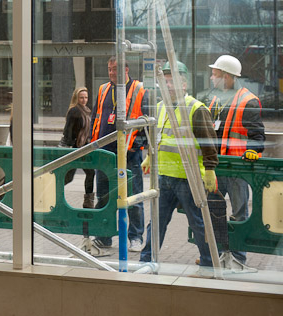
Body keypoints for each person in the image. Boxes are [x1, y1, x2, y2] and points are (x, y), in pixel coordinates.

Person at [140, 61, 219, 274]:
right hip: (164, 176)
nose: (168, 86)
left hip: (188, 177)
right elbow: (156, 137)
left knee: (198, 223)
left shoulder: (195, 108)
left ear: (183, 84)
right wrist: (150, 156)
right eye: (164, 82)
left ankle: (208, 264)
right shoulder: (159, 108)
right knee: (156, 223)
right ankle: (146, 261)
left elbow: (208, 142)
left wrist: (210, 169)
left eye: (172, 81)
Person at [205, 55, 265, 270]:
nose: (212, 77)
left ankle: (238, 258)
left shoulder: (247, 101)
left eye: (215, 74)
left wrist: (251, 152)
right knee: (216, 212)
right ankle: (222, 254)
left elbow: (258, 138)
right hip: (217, 167)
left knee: (239, 214)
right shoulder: (214, 100)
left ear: (227, 77)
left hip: (237, 169)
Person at [88, 57, 147, 254]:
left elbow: (146, 123)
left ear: (126, 69)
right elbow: (95, 116)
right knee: (104, 196)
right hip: (104, 153)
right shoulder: (104, 89)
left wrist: (136, 145)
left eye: (115, 69)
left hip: (129, 154)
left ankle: (136, 237)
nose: (112, 73)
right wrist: (92, 142)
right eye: (109, 69)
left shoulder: (139, 90)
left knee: (133, 197)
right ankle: (103, 237)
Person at [60, 86, 95, 208]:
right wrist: (68, 146)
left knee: (89, 173)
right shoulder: (74, 111)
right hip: (75, 148)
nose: (84, 100)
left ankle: (88, 201)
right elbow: (68, 130)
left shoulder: (87, 110)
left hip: (83, 147)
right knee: (69, 177)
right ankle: (51, 193)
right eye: (81, 98)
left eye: (86, 97)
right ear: (76, 98)